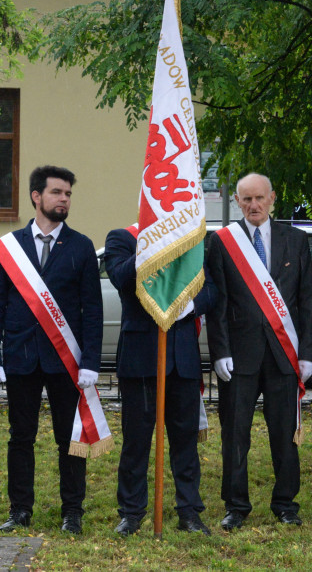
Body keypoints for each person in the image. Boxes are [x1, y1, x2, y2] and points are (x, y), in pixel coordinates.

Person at [0, 165, 102, 534]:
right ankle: (20, 510)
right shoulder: (10, 247)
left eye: (67, 194)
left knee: (70, 437)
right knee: (21, 436)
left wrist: (91, 362)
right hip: (21, 357)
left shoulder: (80, 246)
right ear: (37, 197)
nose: (64, 199)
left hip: (66, 360)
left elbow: (92, 310)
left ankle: (72, 511)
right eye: (57, 193)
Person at [206, 172, 312, 530]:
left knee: (284, 432)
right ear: (237, 201)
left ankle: (286, 503)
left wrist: (309, 354)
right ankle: (236, 505)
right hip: (239, 355)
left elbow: (306, 302)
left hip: (285, 353)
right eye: (246, 199)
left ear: (272, 199)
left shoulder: (296, 240)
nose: (253, 205)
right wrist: (220, 350)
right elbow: (217, 301)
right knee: (234, 432)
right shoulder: (223, 242)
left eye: (259, 198)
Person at [105, 224, 218, 536]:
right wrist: (153, 245)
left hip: (181, 357)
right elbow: (120, 277)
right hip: (141, 357)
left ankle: (189, 512)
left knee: (185, 444)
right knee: (136, 443)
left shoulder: (188, 238)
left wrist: (192, 307)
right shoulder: (122, 237)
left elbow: (211, 289)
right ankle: (131, 513)